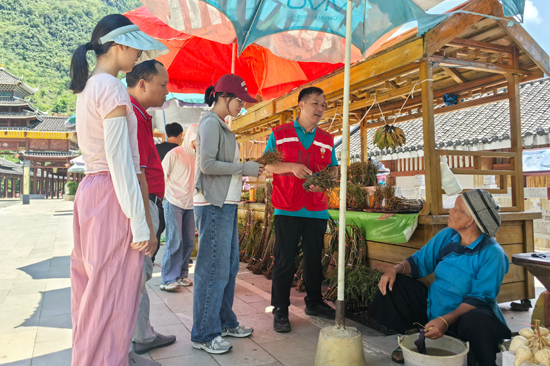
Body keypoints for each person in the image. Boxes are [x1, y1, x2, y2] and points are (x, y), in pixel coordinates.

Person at [69, 14, 167, 366]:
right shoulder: (110, 87)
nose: (139, 56)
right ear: (120, 45)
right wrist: (140, 223)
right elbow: (120, 161)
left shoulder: (88, 87)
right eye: (136, 49)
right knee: (112, 293)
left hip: (92, 191)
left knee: (92, 290)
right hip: (111, 192)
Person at [367, 189, 511, 366]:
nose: (450, 210)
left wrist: (445, 320)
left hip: (466, 317)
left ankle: (480, 361)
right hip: (434, 309)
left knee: (477, 319)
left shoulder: (492, 253)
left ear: (470, 220)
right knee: (394, 285)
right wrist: (394, 269)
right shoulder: (447, 236)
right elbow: (420, 262)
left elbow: (480, 298)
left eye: (456, 209)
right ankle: (415, 336)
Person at [191, 74, 263, 354]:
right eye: (239, 101)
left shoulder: (220, 124)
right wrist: (244, 168)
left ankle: (224, 321)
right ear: (224, 97)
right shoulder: (210, 122)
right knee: (213, 270)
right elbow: (207, 165)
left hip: (225, 204)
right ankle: (204, 334)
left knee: (229, 266)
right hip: (212, 204)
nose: (241, 107)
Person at [263, 86, 338, 333]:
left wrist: (325, 181)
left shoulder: (327, 139)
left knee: (314, 260)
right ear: (301, 105)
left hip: (316, 208)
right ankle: (280, 309)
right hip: (286, 207)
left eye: (324, 105)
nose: (320, 109)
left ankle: (314, 302)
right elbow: (268, 165)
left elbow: (334, 169)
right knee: (284, 260)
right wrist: (292, 167)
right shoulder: (280, 133)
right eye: (315, 103)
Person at [126, 60, 178, 356]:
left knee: (139, 275)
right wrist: (147, 224)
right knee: (136, 275)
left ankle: (143, 334)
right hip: (145, 204)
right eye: (163, 84)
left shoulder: (140, 116)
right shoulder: (131, 115)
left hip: (151, 203)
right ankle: (135, 341)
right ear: (143, 84)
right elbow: (138, 173)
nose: (166, 90)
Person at [160, 124, 198, 291]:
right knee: (175, 240)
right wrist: (167, 196)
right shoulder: (174, 153)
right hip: (173, 202)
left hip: (191, 204)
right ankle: (168, 279)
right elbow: (162, 176)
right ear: (189, 136)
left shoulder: (200, 157)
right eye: (198, 139)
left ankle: (182, 275)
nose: (200, 142)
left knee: (189, 242)